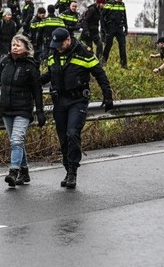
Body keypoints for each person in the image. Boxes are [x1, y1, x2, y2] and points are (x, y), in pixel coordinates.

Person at [40, 28, 113, 189]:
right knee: (63, 138)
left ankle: (73, 172)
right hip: (59, 101)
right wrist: (32, 81)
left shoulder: (84, 53)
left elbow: (99, 74)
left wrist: (107, 95)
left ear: (68, 40)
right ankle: (67, 169)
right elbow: (49, 75)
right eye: (55, 45)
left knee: (72, 133)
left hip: (77, 100)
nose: (58, 47)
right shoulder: (54, 54)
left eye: (60, 44)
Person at [0, 35, 45, 187]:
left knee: (16, 140)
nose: (14, 47)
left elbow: (37, 90)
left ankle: (13, 172)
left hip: (23, 109)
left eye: (18, 45)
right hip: (7, 108)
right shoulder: (5, 62)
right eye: (13, 44)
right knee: (16, 142)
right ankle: (25, 171)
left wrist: (40, 111)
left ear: (26, 49)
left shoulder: (31, 66)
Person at [102, 0, 128, 69]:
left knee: (122, 46)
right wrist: (104, 29)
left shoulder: (122, 4)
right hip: (110, 27)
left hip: (119, 27)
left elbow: (125, 16)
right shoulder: (109, 3)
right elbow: (102, 16)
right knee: (108, 45)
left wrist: (126, 27)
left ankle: (124, 64)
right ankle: (103, 62)